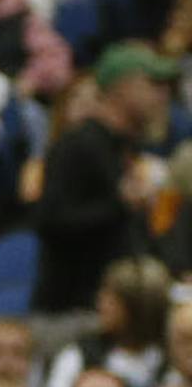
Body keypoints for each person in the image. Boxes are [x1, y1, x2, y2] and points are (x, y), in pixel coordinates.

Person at [34, 44, 179, 316]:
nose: (163, 95)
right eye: (153, 84)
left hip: (122, 313)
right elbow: (51, 221)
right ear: (123, 88)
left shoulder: (123, 150)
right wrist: (120, 204)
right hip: (75, 314)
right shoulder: (77, 145)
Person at [45, 257, 173, 387]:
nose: (100, 302)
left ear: (137, 307)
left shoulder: (170, 359)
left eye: (111, 298)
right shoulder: (80, 355)